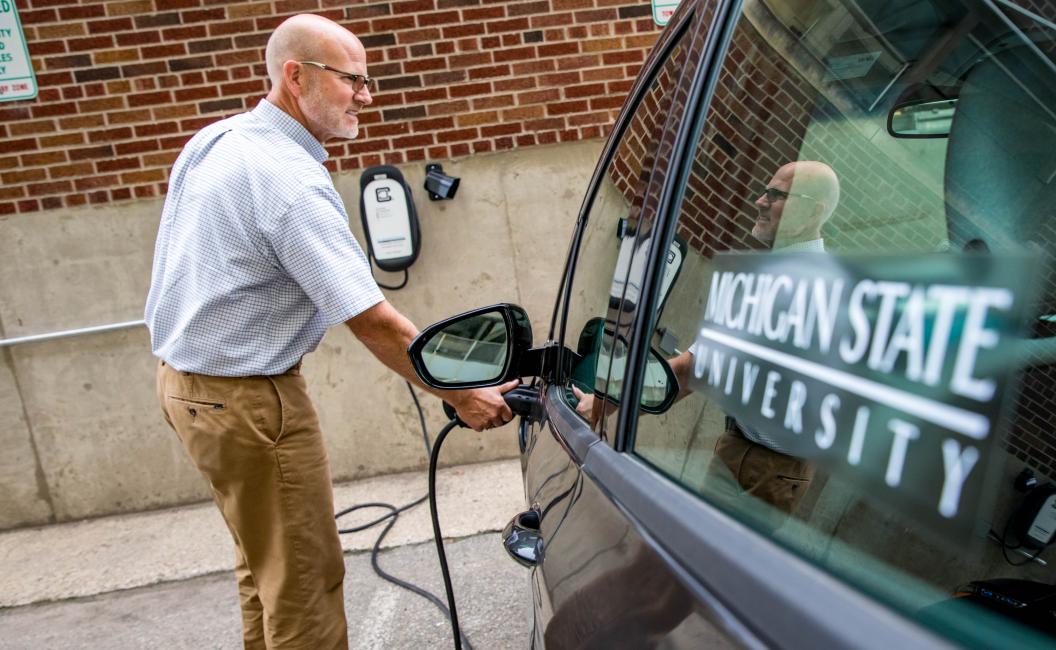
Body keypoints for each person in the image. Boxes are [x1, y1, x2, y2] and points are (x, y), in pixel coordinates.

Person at [144, 14, 515, 649]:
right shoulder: (288, 181)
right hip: (248, 401)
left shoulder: (218, 140)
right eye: (353, 82)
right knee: (305, 581)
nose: (366, 97)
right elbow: (371, 319)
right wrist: (459, 390)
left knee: (266, 568)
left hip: (189, 388)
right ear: (297, 76)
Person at [578, 160, 839, 530]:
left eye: (776, 195)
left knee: (713, 567)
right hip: (762, 456)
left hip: (764, 464)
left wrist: (601, 402)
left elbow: (689, 372)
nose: (760, 201)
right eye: (765, 191)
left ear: (812, 210)